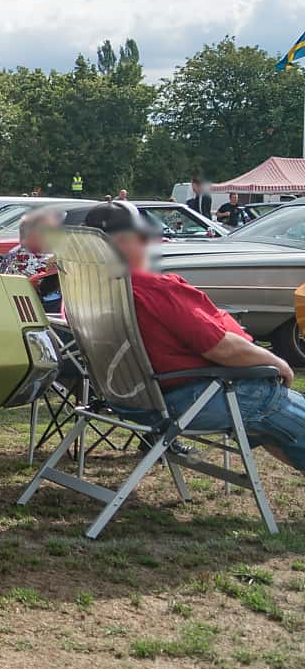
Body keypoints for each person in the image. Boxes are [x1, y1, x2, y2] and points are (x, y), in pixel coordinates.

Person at [83, 200, 305, 475]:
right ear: (121, 242)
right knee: (271, 400)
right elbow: (223, 350)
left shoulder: (91, 292)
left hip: (131, 400)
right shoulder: (153, 288)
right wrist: (278, 363)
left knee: (272, 419)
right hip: (188, 399)